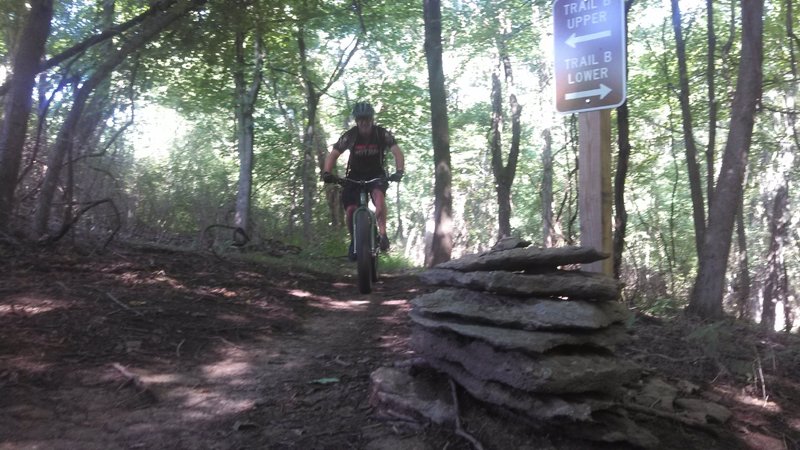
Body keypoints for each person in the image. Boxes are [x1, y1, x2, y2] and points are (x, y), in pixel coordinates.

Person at [321, 101, 405, 260]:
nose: (364, 122)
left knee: (379, 199)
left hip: (376, 174)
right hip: (354, 175)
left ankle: (383, 234)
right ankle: (355, 241)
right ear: (356, 120)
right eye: (360, 119)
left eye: (367, 118)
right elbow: (333, 154)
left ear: (372, 119)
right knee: (351, 210)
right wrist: (327, 172)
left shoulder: (381, 134)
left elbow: (397, 152)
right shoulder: (350, 136)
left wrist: (399, 171)